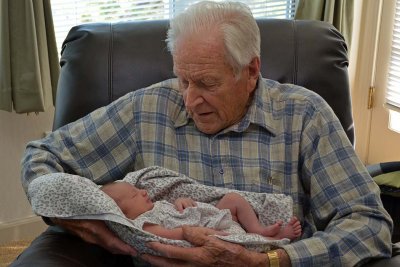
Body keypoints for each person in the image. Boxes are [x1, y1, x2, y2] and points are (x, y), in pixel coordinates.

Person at [12, 1, 397, 266]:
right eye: (183, 79)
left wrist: (270, 261)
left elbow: (368, 223)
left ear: (250, 72)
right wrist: (78, 218)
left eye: (207, 83)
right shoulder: (147, 110)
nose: (191, 99)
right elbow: (43, 156)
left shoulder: (305, 115)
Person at [101, 181, 302, 241]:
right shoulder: (144, 224)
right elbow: (175, 233)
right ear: (124, 213)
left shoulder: (157, 205)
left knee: (233, 199)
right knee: (231, 242)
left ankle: (259, 229)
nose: (143, 192)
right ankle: (273, 241)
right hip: (209, 230)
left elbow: (180, 206)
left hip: (214, 215)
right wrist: (194, 233)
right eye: (135, 195)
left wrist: (182, 201)